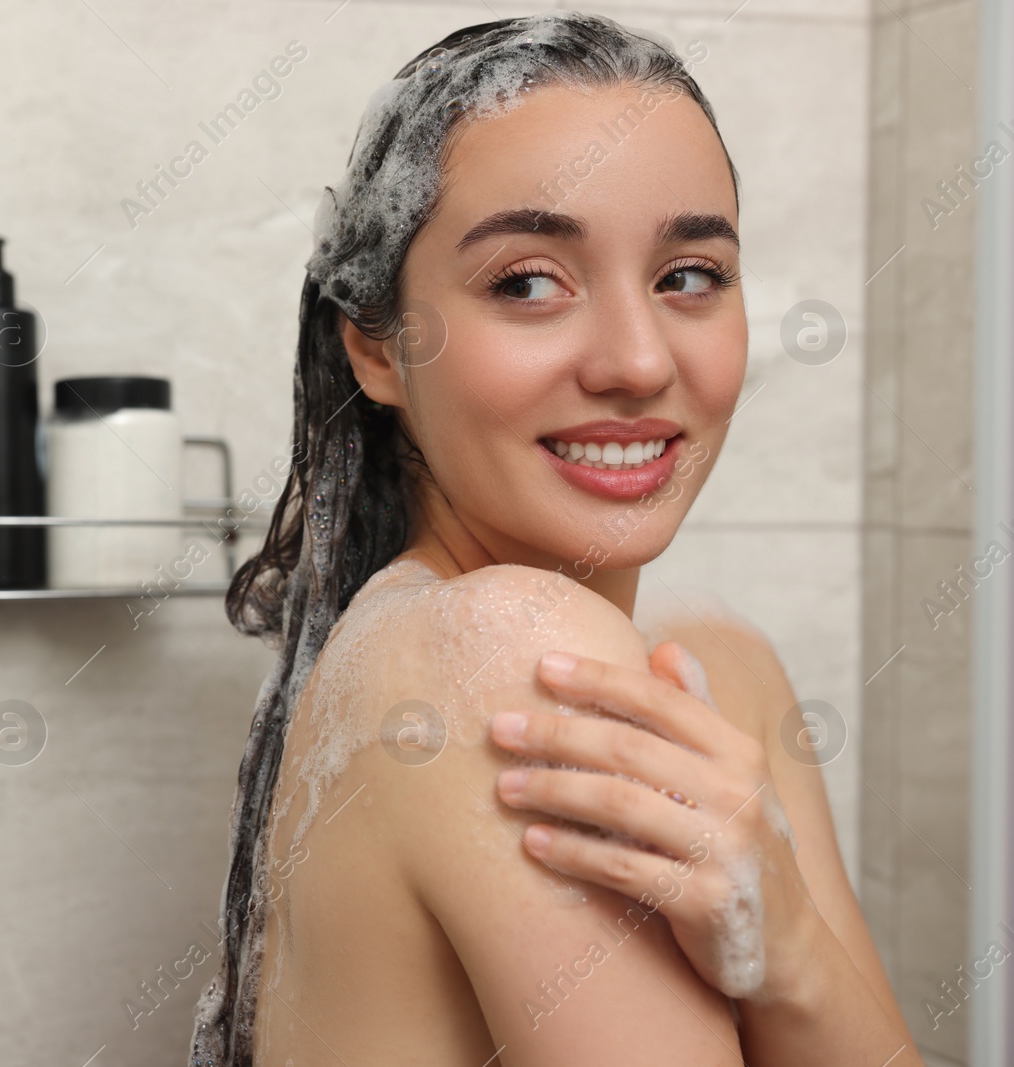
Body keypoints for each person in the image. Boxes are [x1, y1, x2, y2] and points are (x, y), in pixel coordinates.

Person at [188, 12, 921, 1066]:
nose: (634, 360)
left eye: (687, 276)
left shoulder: (726, 671)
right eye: (528, 280)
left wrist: (791, 949)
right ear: (377, 348)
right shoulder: (500, 654)